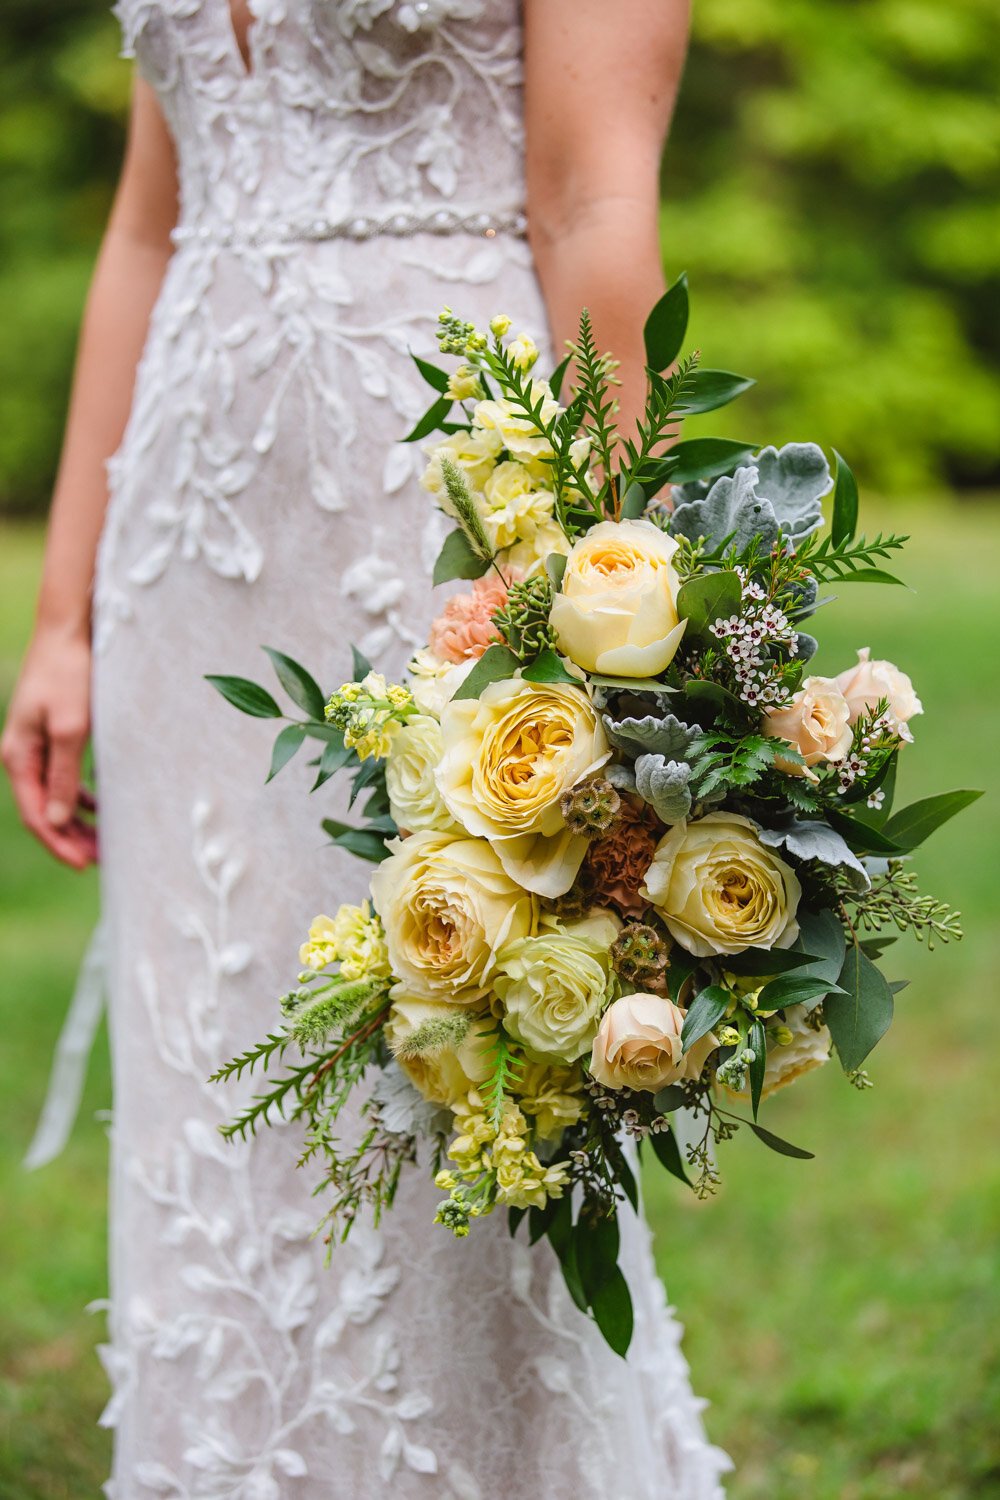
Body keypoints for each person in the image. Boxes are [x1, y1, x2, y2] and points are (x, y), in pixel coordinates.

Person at [2, 1, 732, 1493]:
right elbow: (153, 224)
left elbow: (594, 195)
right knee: (216, 1064)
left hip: (444, 514)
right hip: (185, 555)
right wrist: (66, 611)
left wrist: (604, 609)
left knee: (446, 1049)